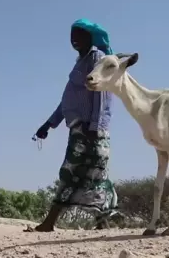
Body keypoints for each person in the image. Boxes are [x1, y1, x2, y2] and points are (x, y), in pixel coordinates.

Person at [27, 18, 118, 232]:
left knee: (76, 172)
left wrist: (95, 126)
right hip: (78, 128)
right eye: (72, 37)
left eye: (80, 36)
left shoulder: (97, 58)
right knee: (90, 174)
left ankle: (50, 222)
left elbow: (103, 96)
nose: (75, 40)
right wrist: (49, 124)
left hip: (91, 129)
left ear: (91, 37)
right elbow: (68, 101)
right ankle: (102, 223)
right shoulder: (80, 62)